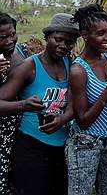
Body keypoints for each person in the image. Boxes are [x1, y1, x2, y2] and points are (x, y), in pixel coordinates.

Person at [0, 13, 78, 194]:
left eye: (69, 42)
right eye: (58, 40)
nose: (63, 46)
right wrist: (23, 105)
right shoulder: (30, 66)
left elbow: (73, 104)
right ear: (47, 37)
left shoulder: (71, 63)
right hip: (32, 147)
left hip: (61, 148)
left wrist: (62, 119)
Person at [66, 5, 107, 195]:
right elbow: (82, 120)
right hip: (85, 143)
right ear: (84, 35)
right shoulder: (79, 70)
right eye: (101, 33)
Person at [0, 12, 29, 195]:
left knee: (18, 175)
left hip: (22, 125)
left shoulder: (23, 51)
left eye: (12, 34)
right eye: (2, 38)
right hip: (2, 129)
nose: (10, 40)